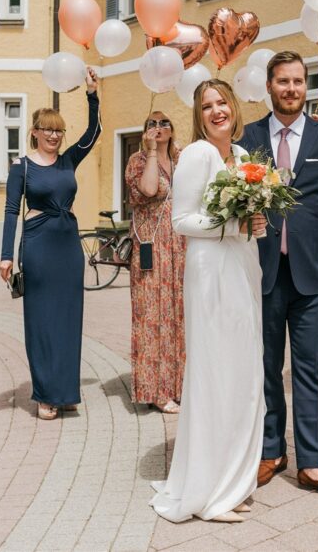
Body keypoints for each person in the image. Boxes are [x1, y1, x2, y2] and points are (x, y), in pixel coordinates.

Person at [238, 51, 318, 501]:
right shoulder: (247, 138)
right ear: (269, 86)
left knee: (310, 370)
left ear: (304, 87)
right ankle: (272, 452)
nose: (290, 89)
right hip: (261, 273)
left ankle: (312, 464)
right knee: (267, 368)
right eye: (282, 81)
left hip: (314, 276)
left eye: (297, 81)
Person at [150, 80, 268, 523]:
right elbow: (181, 220)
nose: (216, 111)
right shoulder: (197, 155)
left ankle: (234, 478)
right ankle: (209, 488)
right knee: (215, 370)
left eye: (222, 103)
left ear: (234, 107)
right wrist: (230, 228)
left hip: (242, 267)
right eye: (207, 106)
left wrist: (254, 222)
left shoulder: (242, 158)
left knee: (243, 372)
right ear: (199, 116)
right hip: (210, 271)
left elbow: (244, 219)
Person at [0, 68, 101, 421]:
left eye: (58, 130)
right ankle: (44, 395)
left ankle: (65, 392)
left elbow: (94, 132)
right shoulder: (21, 167)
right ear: (35, 132)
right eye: (48, 129)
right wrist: (5, 256)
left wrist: (92, 94)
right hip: (39, 245)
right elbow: (11, 211)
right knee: (41, 321)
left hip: (68, 246)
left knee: (69, 319)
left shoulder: (69, 160)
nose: (54, 135)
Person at [125, 111, 185, 414]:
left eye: (165, 122)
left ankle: (179, 385)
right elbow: (149, 190)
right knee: (152, 318)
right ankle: (156, 390)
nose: (159, 127)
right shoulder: (137, 161)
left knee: (178, 317)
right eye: (152, 123)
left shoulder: (182, 158)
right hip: (152, 248)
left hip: (181, 247)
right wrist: (150, 151)